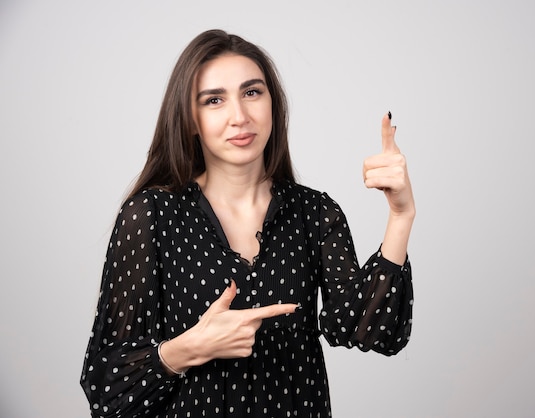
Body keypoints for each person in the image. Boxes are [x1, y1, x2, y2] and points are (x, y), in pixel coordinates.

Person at [80, 29, 415, 418]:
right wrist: (190, 348)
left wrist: (400, 215)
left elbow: (366, 329)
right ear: (190, 119)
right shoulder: (152, 216)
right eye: (214, 100)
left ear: (274, 105)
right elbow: (106, 387)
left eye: (252, 92)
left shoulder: (314, 214)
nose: (239, 116)